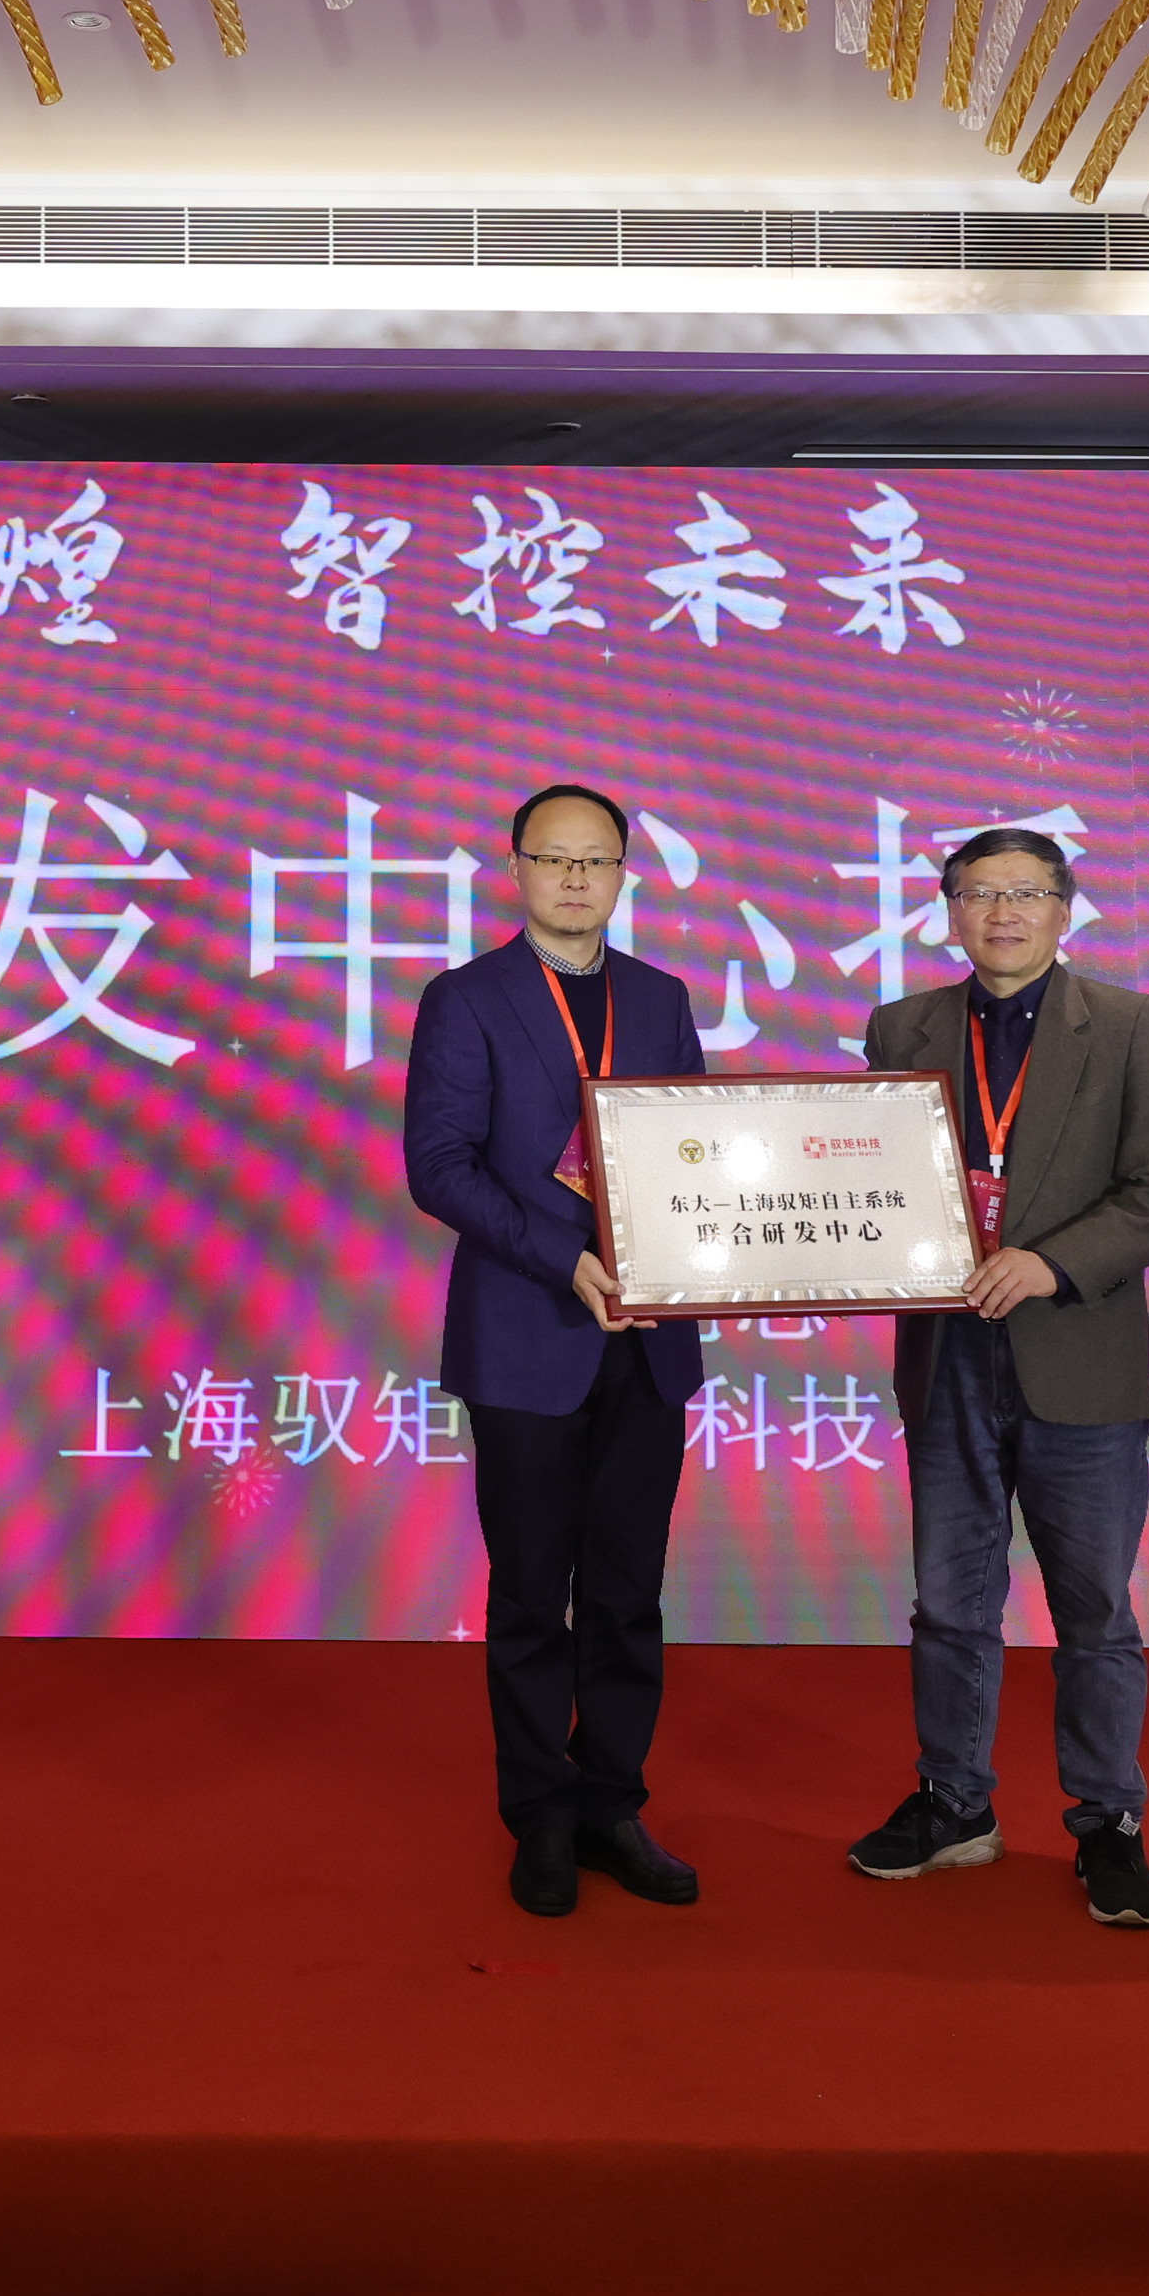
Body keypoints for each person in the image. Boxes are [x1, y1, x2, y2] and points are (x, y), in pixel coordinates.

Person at [851, 823, 1149, 1931]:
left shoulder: (1128, 1023)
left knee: (1093, 1608)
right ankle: (955, 1802)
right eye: (979, 893)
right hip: (947, 1357)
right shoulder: (902, 1027)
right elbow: (867, 1181)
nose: (1002, 912)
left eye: (1026, 892)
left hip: (1078, 1358)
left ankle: (1108, 1819)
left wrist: (1049, 1264)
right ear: (949, 911)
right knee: (949, 1604)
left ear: (1064, 908)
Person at [398, 782, 709, 1919]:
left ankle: (612, 1802)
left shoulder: (661, 997)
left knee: (627, 1591)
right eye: (554, 857)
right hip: (530, 1332)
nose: (577, 878)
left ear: (624, 874)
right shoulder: (466, 998)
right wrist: (565, 1259)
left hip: (650, 1340)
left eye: (598, 860)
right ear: (517, 868)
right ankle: (538, 1810)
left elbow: (699, 1149)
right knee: (532, 1591)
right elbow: (440, 1166)